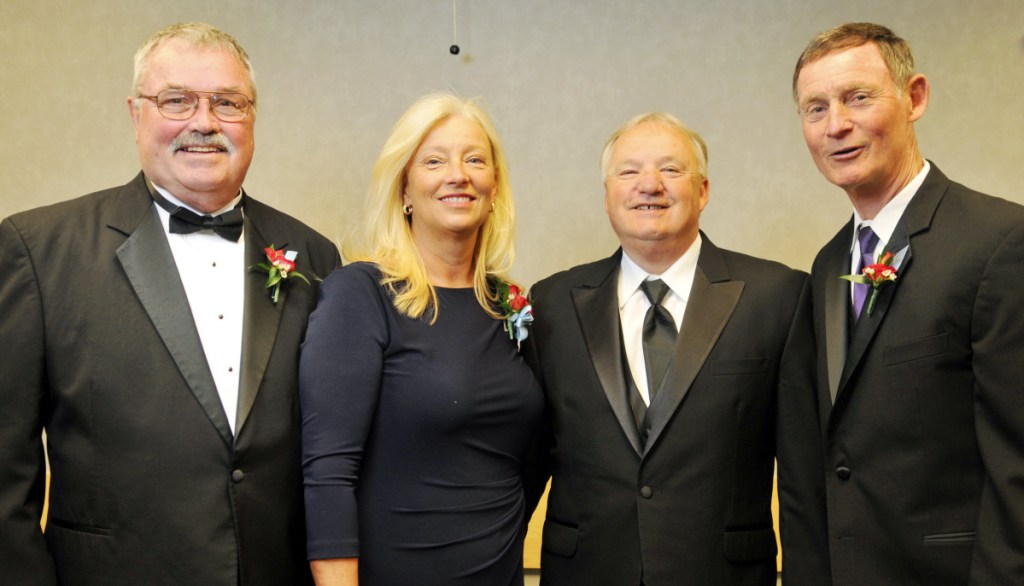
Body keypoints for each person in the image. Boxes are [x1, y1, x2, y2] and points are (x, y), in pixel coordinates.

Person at [0, 22, 340, 585]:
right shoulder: (39, 251)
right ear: (137, 115)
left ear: (252, 118)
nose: (204, 123)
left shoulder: (315, 257)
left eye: (227, 103)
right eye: (176, 100)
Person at [524, 112, 829, 585]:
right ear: (607, 196)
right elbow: (524, 462)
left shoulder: (778, 297)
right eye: (628, 172)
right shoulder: (551, 304)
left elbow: (803, 475)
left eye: (670, 169)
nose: (649, 185)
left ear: (703, 190)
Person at [793, 22, 1024, 585]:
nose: (836, 125)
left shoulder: (999, 241)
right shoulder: (827, 264)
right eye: (815, 109)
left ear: (914, 97)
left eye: (858, 98)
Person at [299, 92, 543, 586]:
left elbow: (531, 459)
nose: (459, 174)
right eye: (434, 161)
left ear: (494, 187)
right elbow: (327, 473)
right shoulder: (360, 294)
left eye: (475, 159)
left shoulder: (508, 305)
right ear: (405, 189)